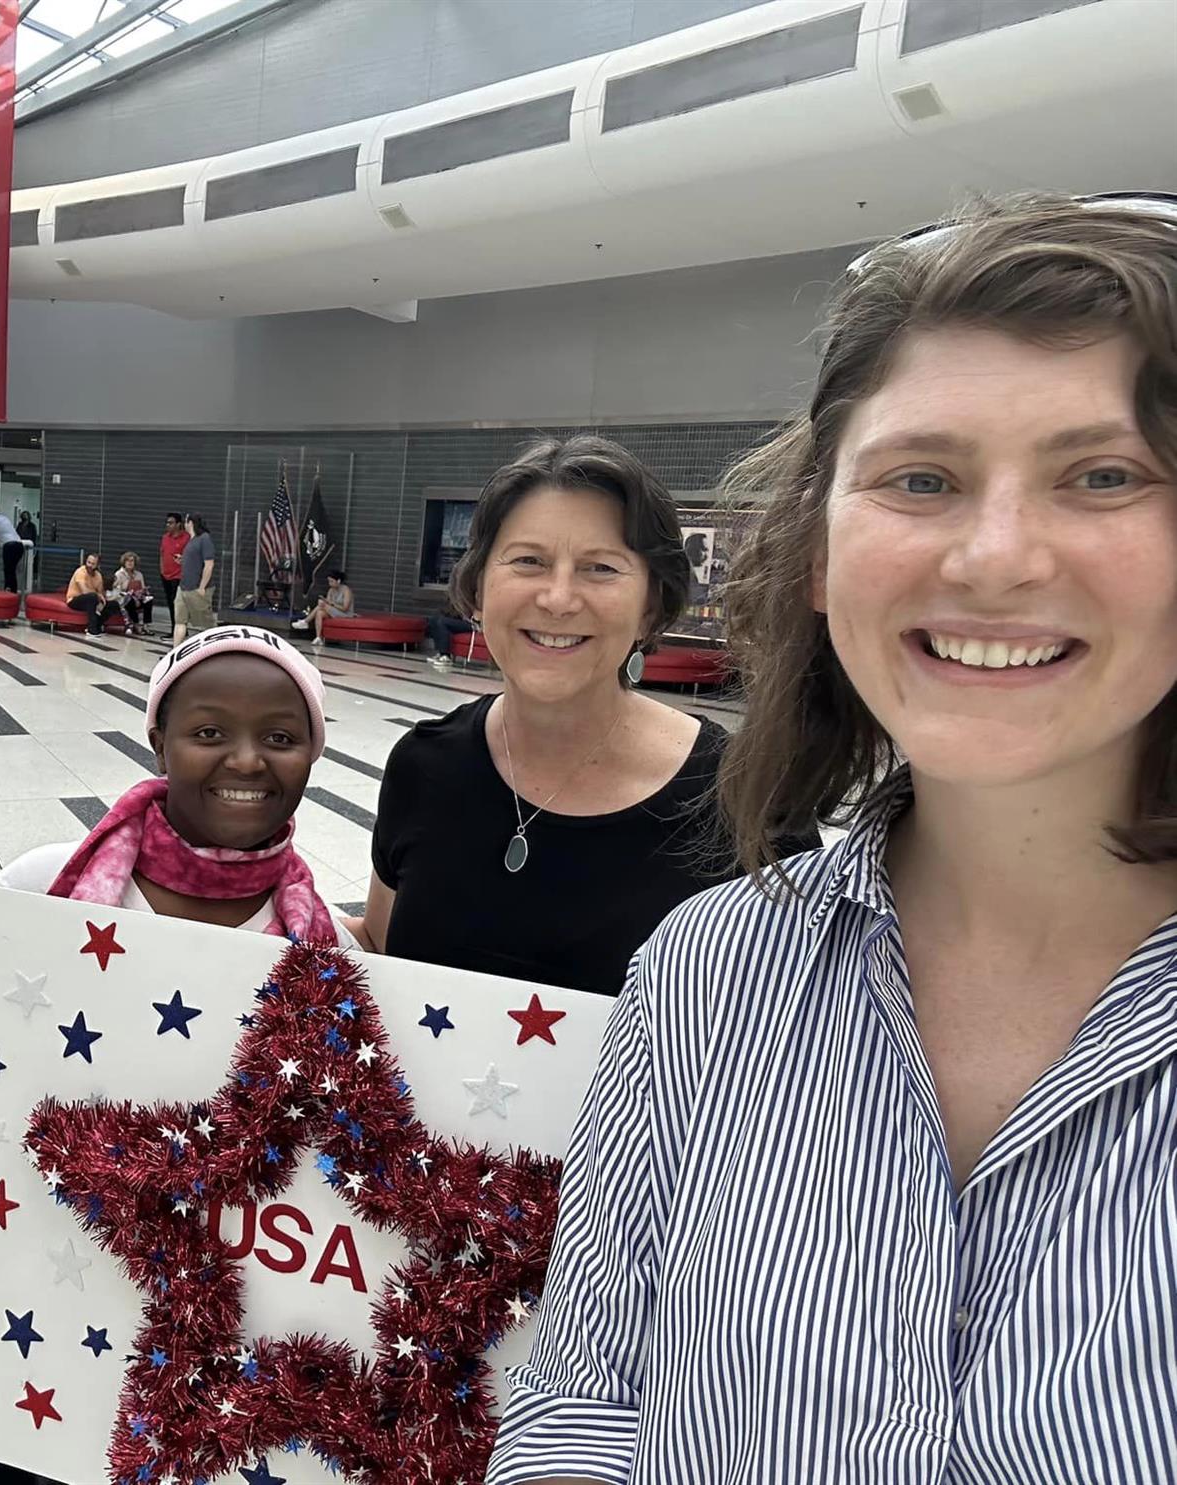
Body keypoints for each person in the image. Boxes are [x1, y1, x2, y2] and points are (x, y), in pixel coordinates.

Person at [489, 194, 1177, 1484]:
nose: (996, 558)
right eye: (922, 479)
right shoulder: (706, 974)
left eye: (1105, 476)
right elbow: (579, 1401)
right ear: (816, 550)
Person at [0, 625, 353, 1485]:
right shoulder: (42, 890)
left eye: (279, 735)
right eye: (208, 730)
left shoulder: (330, 957)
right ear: (159, 739)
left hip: (192, 1385)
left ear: (312, 754)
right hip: (16, 1349)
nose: (245, 759)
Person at [359, 437, 816, 997]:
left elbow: (800, 1020)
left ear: (651, 607)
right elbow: (380, 950)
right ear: (478, 589)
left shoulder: (748, 799)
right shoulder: (424, 764)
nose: (558, 598)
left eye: (600, 568)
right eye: (528, 561)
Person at [173, 512, 217, 640]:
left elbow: (209, 564)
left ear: (190, 523)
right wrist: (183, 560)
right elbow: (195, 560)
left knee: (206, 624)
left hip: (197, 588)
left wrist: (202, 587)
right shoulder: (191, 540)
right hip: (183, 587)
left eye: (186, 521)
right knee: (180, 621)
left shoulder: (204, 538)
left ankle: (214, 647)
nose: (184, 524)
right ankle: (176, 648)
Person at [292, 568, 354, 642]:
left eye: (332, 581)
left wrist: (330, 604)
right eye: (329, 581)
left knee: (321, 606)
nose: (330, 583)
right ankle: (318, 637)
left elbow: (345, 608)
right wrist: (324, 601)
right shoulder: (331, 590)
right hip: (334, 612)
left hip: (345, 613)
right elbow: (327, 603)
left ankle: (305, 622)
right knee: (319, 612)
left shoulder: (346, 590)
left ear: (338, 581)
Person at [110, 551, 155, 634]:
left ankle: (146, 625)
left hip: (138, 596)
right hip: (125, 598)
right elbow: (116, 590)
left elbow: (142, 588)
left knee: (149, 600)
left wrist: (144, 591)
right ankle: (136, 624)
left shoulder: (139, 574)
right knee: (130, 601)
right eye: (127, 560)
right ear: (124, 562)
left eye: (132, 561)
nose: (130, 563)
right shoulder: (119, 574)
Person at [0, 507, 26, 592]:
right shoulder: (4, 518)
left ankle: (8, 589)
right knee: (12, 570)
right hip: (19, 545)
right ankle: (13, 591)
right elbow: (2, 533)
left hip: (9, 546)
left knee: (8, 570)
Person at [65, 551, 108, 635]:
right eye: (88, 562)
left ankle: (98, 626)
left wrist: (102, 598)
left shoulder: (98, 575)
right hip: (74, 600)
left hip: (92, 600)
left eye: (93, 564)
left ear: (97, 565)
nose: (90, 565)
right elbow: (84, 591)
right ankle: (91, 630)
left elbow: (101, 592)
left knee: (113, 604)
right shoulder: (80, 572)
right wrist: (98, 595)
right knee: (91, 597)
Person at [158, 512, 188, 621]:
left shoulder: (186, 538)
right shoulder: (165, 537)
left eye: (171, 523)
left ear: (178, 524)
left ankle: (179, 625)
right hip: (166, 575)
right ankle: (174, 624)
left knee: (177, 602)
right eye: (167, 523)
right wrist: (162, 570)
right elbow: (162, 554)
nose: (168, 525)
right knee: (170, 601)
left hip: (178, 575)